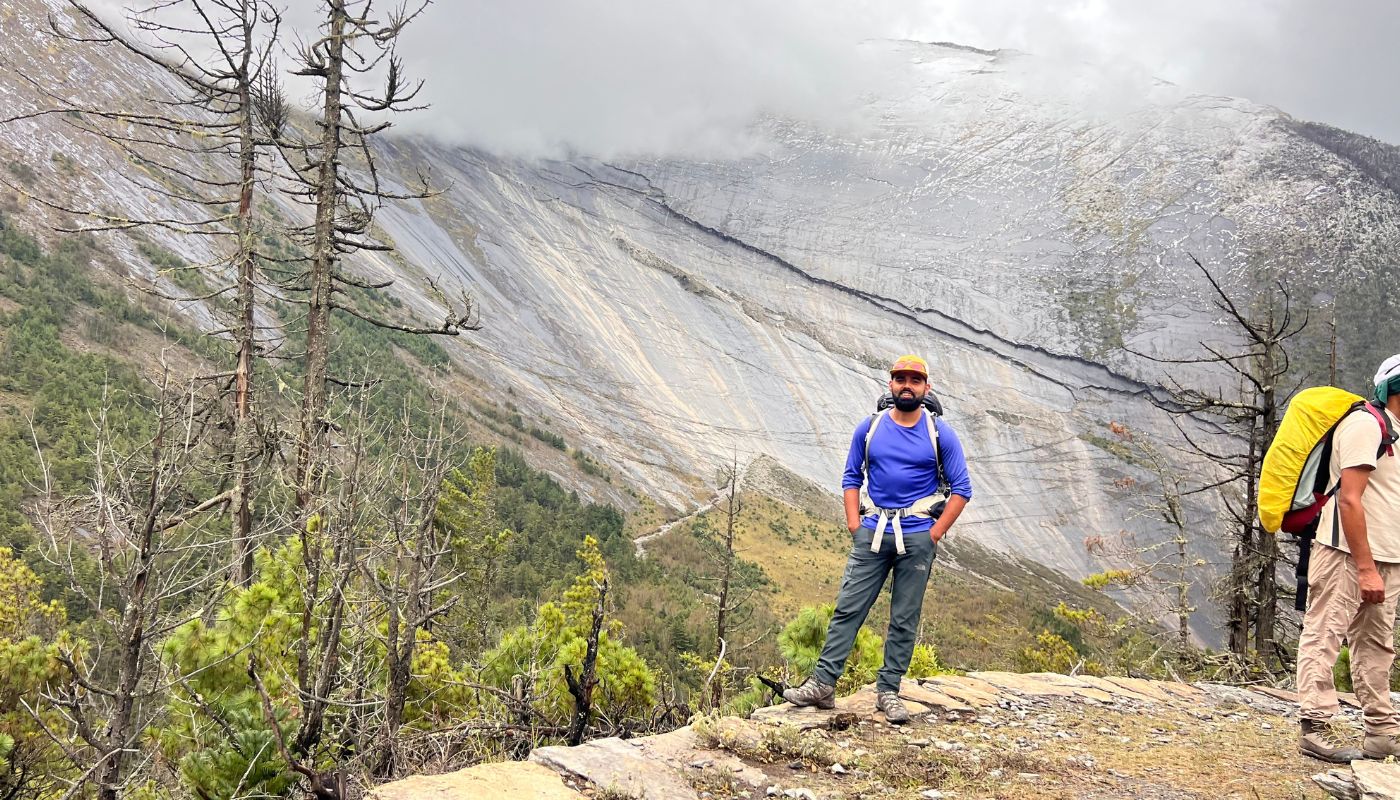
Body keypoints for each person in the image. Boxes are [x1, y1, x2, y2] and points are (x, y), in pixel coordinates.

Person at [783, 354, 972, 723]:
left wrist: (933, 534)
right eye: (900, 379)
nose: (907, 385)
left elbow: (962, 489)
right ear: (890, 385)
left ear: (925, 388)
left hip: (917, 536)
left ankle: (888, 691)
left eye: (914, 380)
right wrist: (855, 524)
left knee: (904, 616)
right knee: (849, 608)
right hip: (872, 532)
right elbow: (851, 476)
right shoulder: (869, 428)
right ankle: (823, 685)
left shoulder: (940, 434)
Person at [1297, 354, 1400, 762]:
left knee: (1376, 644)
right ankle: (1314, 728)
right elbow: (1349, 499)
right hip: (1347, 555)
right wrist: (1365, 568)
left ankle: (1381, 732)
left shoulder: (1395, 430)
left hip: (1388, 559)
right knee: (1325, 633)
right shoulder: (1363, 425)